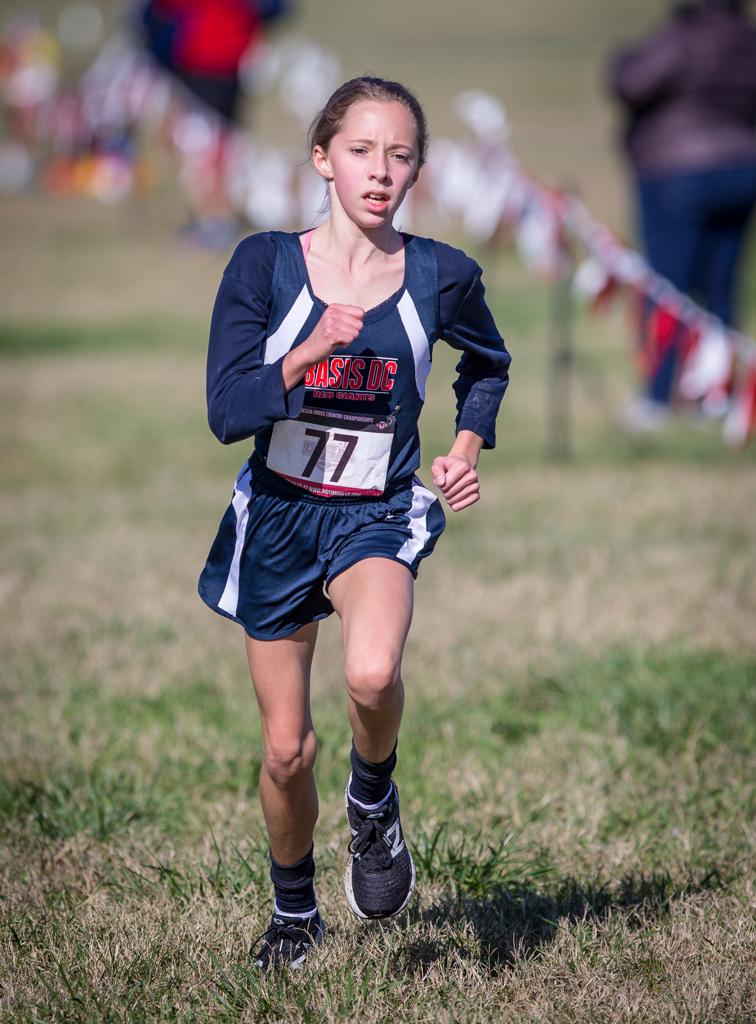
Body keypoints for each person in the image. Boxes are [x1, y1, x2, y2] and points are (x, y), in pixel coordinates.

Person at [197, 76, 511, 971]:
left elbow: (488, 364)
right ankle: (293, 913)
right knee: (286, 751)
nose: (381, 171)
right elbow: (226, 410)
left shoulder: (441, 274)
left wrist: (466, 447)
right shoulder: (262, 264)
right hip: (281, 518)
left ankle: (372, 801)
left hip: (379, 511)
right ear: (322, 158)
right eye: (363, 151)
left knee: (373, 676)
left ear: (418, 170)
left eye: (401, 154)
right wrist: (306, 353)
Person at [609, 0, 756, 426]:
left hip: (677, 174)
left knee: (665, 289)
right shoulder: (748, 41)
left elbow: (630, 82)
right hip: (742, 172)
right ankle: (718, 399)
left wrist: (622, 58)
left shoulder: (683, 38)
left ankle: (657, 400)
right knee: (721, 287)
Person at [139, 0, 290, 248]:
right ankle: (217, 215)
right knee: (211, 141)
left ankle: (217, 219)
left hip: (206, 60)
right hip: (227, 58)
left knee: (200, 144)